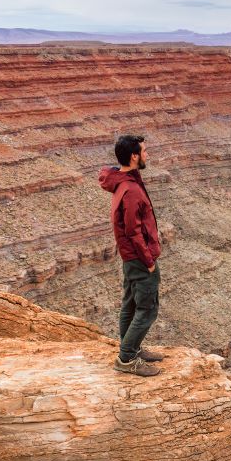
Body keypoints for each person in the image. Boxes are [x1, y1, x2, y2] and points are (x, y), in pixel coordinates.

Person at [99, 134, 166, 376]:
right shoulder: (130, 190)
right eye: (145, 151)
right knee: (147, 308)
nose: (148, 155)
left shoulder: (125, 182)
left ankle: (132, 349)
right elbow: (133, 231)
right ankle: (126, 358)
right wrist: (148, 261)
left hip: (131, 258)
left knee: (130, 304)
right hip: (139, 259)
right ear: (134, 156)